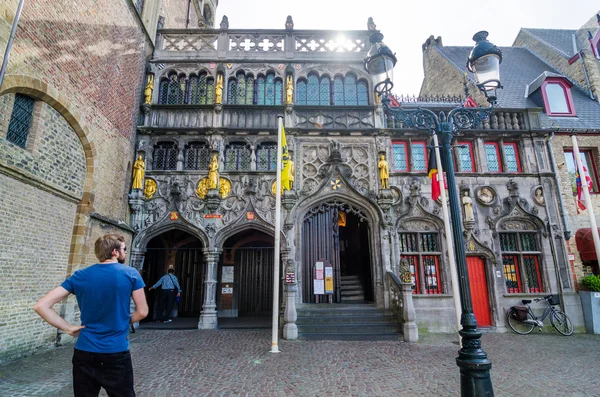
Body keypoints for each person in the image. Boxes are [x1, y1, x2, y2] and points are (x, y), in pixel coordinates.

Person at [33, 234, 148, 397]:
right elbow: (142, 312)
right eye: (124, 249)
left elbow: (41, 305)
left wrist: (68, 327)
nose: (125, 252)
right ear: (115, 252)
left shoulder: (80, 275)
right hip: (115, 352)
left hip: (84, 352)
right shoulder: (131, 274)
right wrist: (123, 320)